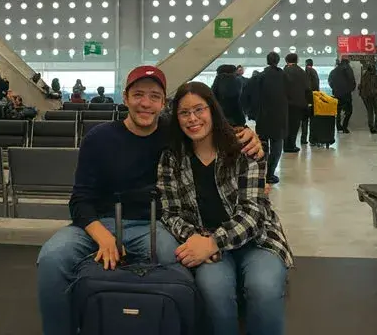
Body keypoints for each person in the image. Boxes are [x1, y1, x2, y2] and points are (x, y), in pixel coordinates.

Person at [36, 66, 264, 335]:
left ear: (163, 102)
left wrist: (246, 134)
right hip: (99, 224)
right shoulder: (99, 138)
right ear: (125, 97)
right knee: (52, 258)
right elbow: (80, 199)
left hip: (155, 224)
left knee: (178, 260)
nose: (146, 103)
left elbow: (211, 131)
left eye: (154, 96)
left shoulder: (173, 134)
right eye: (138, 95)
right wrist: (104, 237)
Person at [158, 81, 293, 335]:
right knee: (213, 289)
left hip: (258, 240)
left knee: (263, 288)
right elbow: (170, 213)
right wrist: (197, 240)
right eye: (184, 113)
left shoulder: (244, 147)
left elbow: (254, 212)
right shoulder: (172, 157)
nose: (193, 119)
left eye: (199, 109)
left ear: (212, 110)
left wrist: (214, 242)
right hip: (205, 239)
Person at [245, 53, 287, 184]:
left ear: (267, 61)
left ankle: (261, 173)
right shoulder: (284, 76)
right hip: (280, 115)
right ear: (278, 61)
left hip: (263, 116)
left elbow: (247, 93)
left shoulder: (259, 77)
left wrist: (251, 111)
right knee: (277, 144)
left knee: (262, 144)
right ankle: (270, 174)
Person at [283, 53, 311, 152]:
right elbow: (307, 88)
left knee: (286, 124)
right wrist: (308, 102)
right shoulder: (301, 72)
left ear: (286, 60)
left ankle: (286, 145)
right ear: (297, 60)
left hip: (285, 103)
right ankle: (291, 145)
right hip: (298, 103)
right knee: (294, 125)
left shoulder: (284, 71)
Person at [328, 58, 356, 134]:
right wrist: (350, 89)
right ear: (347, 62)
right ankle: (344, 127)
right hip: (346, 94)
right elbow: (352, 80)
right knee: (349, 111)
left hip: (337, 94)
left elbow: (330, 81)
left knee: (338, 111)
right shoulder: (348, 69)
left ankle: (338, 126)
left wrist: (334, 88)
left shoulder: (334, 70)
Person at [359, 67, 377, 134]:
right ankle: (376, 128)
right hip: (374, 96)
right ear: (374, 70)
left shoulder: (364, 76)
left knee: (370, 112)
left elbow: (361, 86)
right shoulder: (375, 76)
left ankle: (371, 128)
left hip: (366, 96)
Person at [302, 59, 320, 144]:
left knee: (304, 120)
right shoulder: (314, 72)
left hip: (305, 99)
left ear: (306, 64)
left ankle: (303, 139)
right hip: (313, 99)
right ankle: (312, 139)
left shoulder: (305, 72)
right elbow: (316, 86)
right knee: (313, 120)